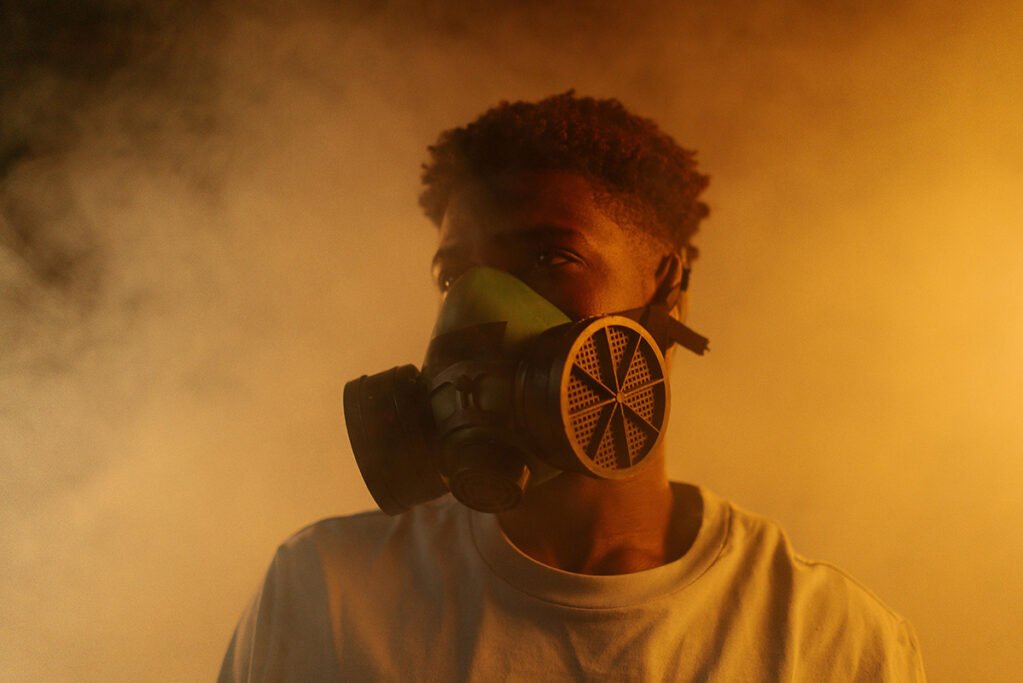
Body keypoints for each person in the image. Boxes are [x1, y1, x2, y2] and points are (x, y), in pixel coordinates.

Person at [219, 92, 926, 681]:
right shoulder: (329, 595)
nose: (476, 310)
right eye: (452, 276)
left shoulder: (830, 642)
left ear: (668, 290)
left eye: (549, 256)